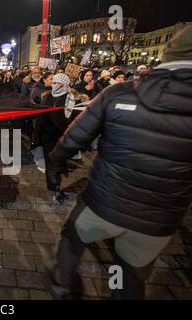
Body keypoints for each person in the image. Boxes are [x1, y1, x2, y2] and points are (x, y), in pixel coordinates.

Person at [48, 26, 192, 300]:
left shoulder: (118, 93)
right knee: (129, 273)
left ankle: (62, 283)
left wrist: (55, 166)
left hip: (104, 202)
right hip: (159, 218)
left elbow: (74, 138)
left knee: (72, 237)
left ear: (168, 54)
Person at [40, 72, 89, 205]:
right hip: (48, 136)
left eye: (58, 83)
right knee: (50, 163)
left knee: (58, 162)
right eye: (53, 82)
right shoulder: (47, 96)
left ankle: (56, 180)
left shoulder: (73, 99)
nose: (55, 85)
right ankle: (54, 187)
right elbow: (41, 116)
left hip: (64, 136)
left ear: (65, 84)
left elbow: (76, 119)